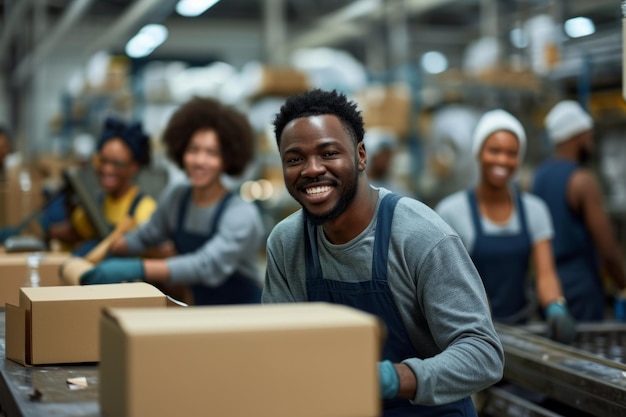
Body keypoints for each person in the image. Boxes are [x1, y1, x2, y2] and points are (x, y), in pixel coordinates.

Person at [262, 89, 503, 416]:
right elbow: (280, 348)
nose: (312, 169)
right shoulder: (286, 242)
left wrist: (391, 378)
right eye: (295, 159)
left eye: (329, 153)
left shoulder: (420, 236)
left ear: (361, 156)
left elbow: (483, 355)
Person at [80, 97, 265, 306]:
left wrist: (138, 268)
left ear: (228, 159)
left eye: (212, 153)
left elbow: (206, 265)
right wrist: (109, 247)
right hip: (200, 310)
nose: (199, 161)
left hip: (243, 315)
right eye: (193, 150)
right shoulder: (177, 197)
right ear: (181, 151)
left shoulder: (241, 214)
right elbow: (146, 235)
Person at [435, 110, 576, 342]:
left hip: (522, 330)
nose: (502, 160)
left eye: (511, 153)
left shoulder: (534, 210)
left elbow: (545, 274)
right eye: (494, 150)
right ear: (478, 153)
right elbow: (448, 283)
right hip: (467, 334)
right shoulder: (451, 211)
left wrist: (555, 307)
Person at [532, 100, 626, 321]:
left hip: (547, 288)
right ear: (577, 136)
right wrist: (623, 285)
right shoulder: (582, 180)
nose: (590, 142)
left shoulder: (540, 176)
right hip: (580, 290)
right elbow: (608, 250)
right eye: (589, 135)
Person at [45, 117, 156, 254]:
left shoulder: (144, 210)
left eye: (117, 164)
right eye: (103, 161)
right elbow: (75, 232)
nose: (107, 170)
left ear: (134, 167)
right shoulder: (97, 204)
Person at [363, 127, 412, 197]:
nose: (386, 160)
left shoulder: (397, 191)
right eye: (382, 155)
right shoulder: (360, 189)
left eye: (388, 155)